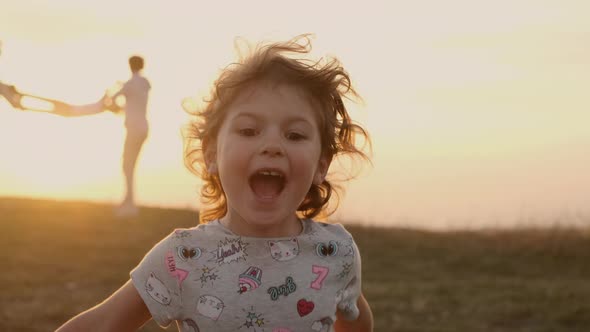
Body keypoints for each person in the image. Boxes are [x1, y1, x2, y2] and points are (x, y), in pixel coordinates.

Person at [56, 34, 374, 332]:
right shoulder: (182, 257)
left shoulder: (336, 253)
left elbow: (356, 319)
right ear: (212, 154)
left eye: (295, 135)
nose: (272, 145)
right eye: (249, 130)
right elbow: (104, 323)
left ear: (321, 165)